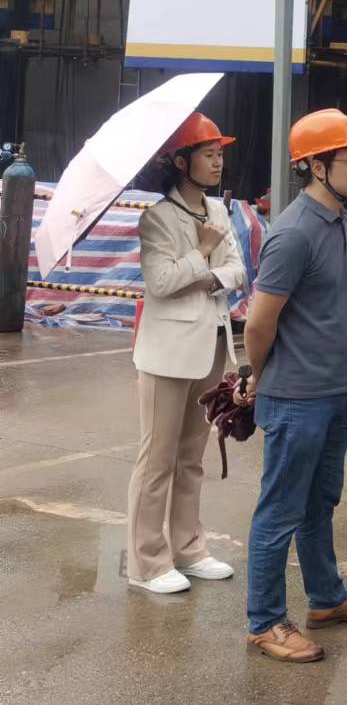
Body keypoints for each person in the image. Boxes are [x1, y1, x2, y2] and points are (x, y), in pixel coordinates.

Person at [239, 108, 347, 663]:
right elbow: (259, 323)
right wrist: (261, 376)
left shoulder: (337, 220)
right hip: (296, 399)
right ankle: (265, 622)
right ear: (317, 167)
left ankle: (326, 598)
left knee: (320, 502)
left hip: (330, 394)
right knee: (280, 511)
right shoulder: (294, 232)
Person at [126, 111, 247, 595]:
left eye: (219, 154)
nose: (218, 163)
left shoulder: (218, 210)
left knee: (192, 456)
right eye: (208, 154)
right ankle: (146, 562)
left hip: (212, 344)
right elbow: (160, 283)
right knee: (157, 459)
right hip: (167, 353)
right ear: (181, 161)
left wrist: (203, 271)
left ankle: (189, 548)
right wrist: (202, 253)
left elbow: (239, 270)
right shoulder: (157, 218)